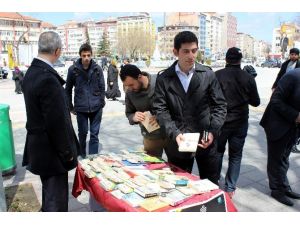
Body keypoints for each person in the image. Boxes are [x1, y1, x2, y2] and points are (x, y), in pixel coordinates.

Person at [153, 31, 227, 184]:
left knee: (210, 185)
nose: (191, 55)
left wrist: (212, 132)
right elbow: (160, 110)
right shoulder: (164, 78)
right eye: (185, 51)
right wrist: (174, 133)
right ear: (175, 52)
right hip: (178, 141)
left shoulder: (207, 74)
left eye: (194, 51)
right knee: (180, 185)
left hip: (205, 139)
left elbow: (219, 106)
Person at [21, 31, 80, 211]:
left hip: (40, 149)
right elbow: (56, 123)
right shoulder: (47, 78)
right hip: (52, 153)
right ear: (57, 51)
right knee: (56, 203)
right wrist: (67, 153)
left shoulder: (31, 72)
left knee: (49, 197)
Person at [215, 47, 260, 198]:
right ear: (240, 60)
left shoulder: (217, 75)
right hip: (240, 122)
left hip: (221, 122)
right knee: (236, 155)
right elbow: (256, 102)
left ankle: (214, 182)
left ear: (226, 59)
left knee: (218, 153)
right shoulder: (247, 77)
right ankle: (230, 187)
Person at [260, 68, 300, 207]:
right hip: (277, 124)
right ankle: (276, 190)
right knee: (276, 159)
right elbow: (276, 100)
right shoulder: (293, 76)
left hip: (292, 126)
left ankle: (284, 187)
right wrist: (296, 115)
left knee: (284, 159)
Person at [65, 43, 105, 158]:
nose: (86, 58)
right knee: (82, 133)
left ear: (91, 55)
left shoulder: (97, 69)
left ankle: (93, 157)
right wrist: (70, 107)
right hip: (81, 108)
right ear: (80, 56)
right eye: (84, 55)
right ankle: (82, 155)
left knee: (94, 134)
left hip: (96, 107)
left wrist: (101, 102)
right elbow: (67, 89)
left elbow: (102, 86)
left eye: (88, 55)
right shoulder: (73, 70)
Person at [120, 64, 168, 158]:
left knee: (177, 169)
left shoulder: (160, 81)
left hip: (171, 134)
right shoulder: (130, 92)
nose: (129, 88)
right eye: (126, 86)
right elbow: (129, 113)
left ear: (140, 76)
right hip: (151, 137)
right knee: (153, 168)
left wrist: (159, 117)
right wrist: (134, 117)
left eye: (131, 84)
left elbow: (176, 105)